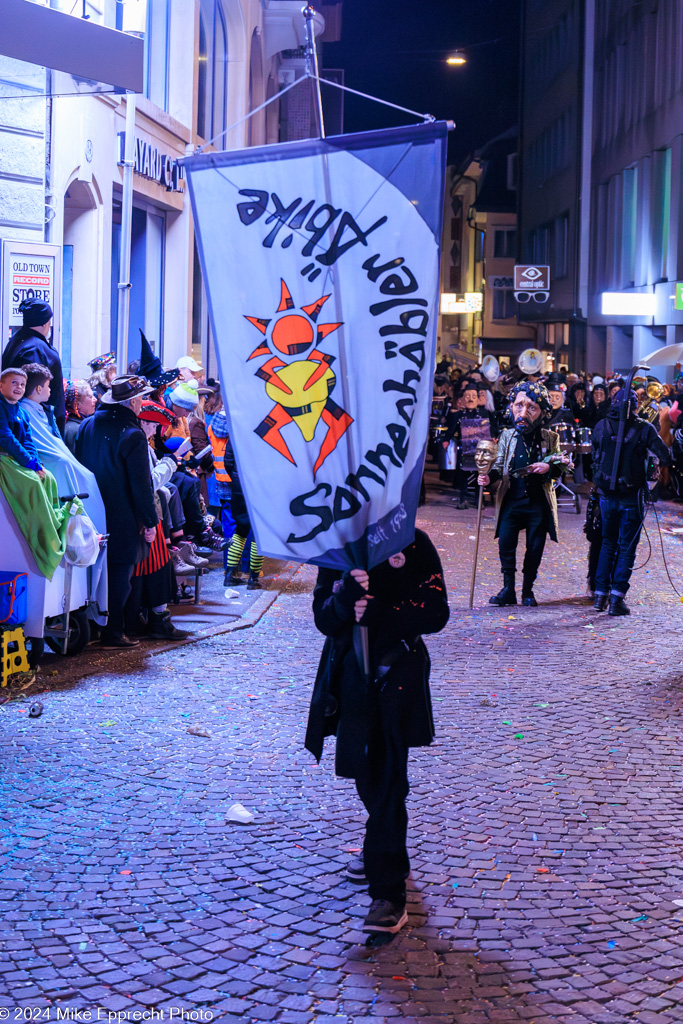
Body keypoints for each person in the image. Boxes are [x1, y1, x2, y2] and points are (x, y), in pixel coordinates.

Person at [306, 529, 450, 935]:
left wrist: (381, 612)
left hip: (397, 675)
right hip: (351, 676)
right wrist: (344, 599)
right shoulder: (336, 548)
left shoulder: (415, 544)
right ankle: (378, 842)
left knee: (387, 777)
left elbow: (435, 612)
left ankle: (388, 890)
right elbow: (323, 617)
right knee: (369, 775)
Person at [21, 363, 109, 626]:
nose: (52, 391)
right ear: (39, 388)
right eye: (48, 387)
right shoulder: (27, 412)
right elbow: (50, 451)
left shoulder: (41, 411)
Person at [76, 375, 158, 648]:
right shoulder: (133, 434)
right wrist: (150, 521)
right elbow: (141, 485)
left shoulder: (87, 425)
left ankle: (96, 628)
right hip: (122, 516)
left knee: (91, 573)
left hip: (89, 510)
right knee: (120, 576)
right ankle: (113, 632)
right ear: (133, 401)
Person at [478, 381, 565, 607]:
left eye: (531, 408)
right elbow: (498, 465)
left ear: (542, 412)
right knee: (506, 543)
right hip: (511, 500)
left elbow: (562, 465)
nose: (523, 413)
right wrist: (488, 478)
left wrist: (549, 468)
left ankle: (527, 591)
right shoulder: (507, 436)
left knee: (534, 547)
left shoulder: (550, 437)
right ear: (511, 407)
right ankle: (508, 589)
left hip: (537, 503)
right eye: (519, 406)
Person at [591, 387, 672, 615]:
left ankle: (600, 596)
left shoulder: (600, 425)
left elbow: (595, 456)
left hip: (606, 494)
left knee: (608, 542)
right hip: (630, 495)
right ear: (635, 406)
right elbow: (665, 455)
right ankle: (616, 599)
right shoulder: (644, 428)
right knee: (626, 547)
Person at [2, 299, 66, 434]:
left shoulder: (17, 340)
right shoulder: (36, 349)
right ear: (46, 322)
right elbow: (32, 393)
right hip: (37, 427)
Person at [442, 379, 495, 509]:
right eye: (468, 396)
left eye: (473, 396)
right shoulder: (458, 415)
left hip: (480, 449)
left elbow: (492, 428)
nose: (470, 399)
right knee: (462, 475)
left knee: (480, 474)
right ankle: (462, 499)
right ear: (463, 400)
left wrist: (494, 437)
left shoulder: (484, 413)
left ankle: (479, 499)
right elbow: (451, 429)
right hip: (464, 449)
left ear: (478, 399)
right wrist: (446, 440)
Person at [63, 380, 97, 453]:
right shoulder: (75, 430)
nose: (95, 399)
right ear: (77, 404)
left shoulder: (73, 425)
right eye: (90, 397)